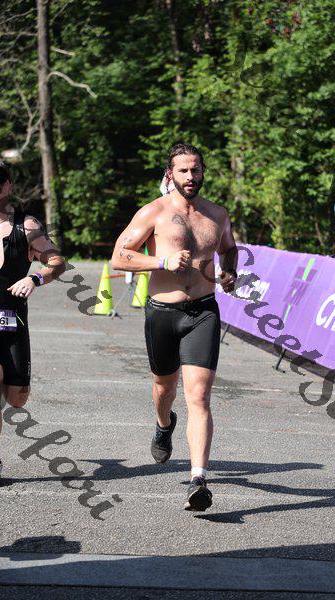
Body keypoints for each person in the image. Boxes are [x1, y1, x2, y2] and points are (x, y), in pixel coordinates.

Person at [111, 143, 237, 511]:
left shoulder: (217, 214)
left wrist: (229, 271)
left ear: (203, 171)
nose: (190, 176)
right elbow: (119, 256)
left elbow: (229, 248)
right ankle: (164, 424)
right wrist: (161, 261)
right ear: (171, 174)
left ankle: (199, 480)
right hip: (163, 313)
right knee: (164, 388)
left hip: (203, 312)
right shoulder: (154, 212)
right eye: (183, 170)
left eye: (195, 169)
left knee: (199, 396)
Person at [0, 158, 65, 487]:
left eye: (0, 178)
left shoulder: (26, 226)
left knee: (16, 398)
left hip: (14, 320)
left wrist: (36, 278)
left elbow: (57, 261)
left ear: (9, 185)